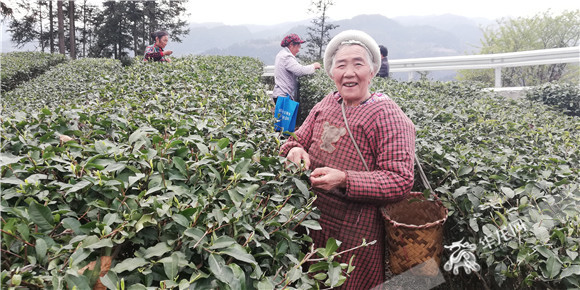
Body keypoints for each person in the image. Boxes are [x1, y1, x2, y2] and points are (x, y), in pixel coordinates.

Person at [280, 30, 415, 289]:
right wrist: (294, 151)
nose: (349, 72)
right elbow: (295, 139)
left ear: (373, 71)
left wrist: (344, 179)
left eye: (358, 64)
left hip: (355, 232)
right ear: (332, 73)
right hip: (311, 222)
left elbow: (400, 180)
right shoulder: (327, 103)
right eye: (341, 65)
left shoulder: (388, 116)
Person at [272, 33, 321, 105]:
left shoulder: (281, 54)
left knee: (281, 116)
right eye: (298, 47)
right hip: (284, 96)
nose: (298, 50)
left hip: (280, 95)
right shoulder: (286, 57)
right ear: (291, 45)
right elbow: (300, 71)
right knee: (285, 116)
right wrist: (314, 66)